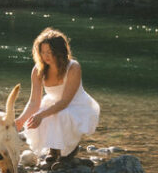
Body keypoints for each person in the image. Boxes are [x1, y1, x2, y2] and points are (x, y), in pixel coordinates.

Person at [15, 27, 99, 164]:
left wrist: (41, 115)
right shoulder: (38, 70)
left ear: (59, 52)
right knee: (37, 115)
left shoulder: (73, 67)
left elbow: (65, 101)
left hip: (76, 104)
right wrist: (20, 121)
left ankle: (70, 150)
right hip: (53, 102)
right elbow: (34, 102)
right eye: (42, 52)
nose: (45, 56)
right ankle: (53, 150)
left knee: (60, 114)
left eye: (49, 52)